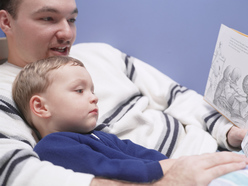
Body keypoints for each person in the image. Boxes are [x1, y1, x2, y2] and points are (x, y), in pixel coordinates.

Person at [0, 0, 247, 185]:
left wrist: (228, 131)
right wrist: (166, 179)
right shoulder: (6, 90)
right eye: (47, 19)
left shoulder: (100, 53)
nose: (67, 33)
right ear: (6, 22)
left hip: (217, 149)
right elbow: (21, 173)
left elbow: (175, 96)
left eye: (72, 19)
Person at [12, 56, 175, 183]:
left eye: (93, 91)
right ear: (41, 107)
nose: (94, 98)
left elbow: (138, 152)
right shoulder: (52, 147)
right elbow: (108, 171)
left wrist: (176, 165)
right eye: (79, 90)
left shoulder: (100, 135)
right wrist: (164, 168)